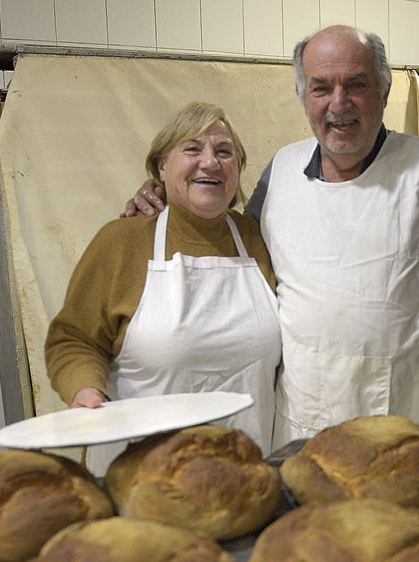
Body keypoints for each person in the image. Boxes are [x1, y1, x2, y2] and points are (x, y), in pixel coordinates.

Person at [125, 26, 419, 446]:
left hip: (394, 433)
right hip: (295, 432)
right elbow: (231, 254)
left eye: (356, 84)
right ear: (303, 96)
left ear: (383, 90)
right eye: (321, 88)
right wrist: (165, 200)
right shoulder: (282, 172)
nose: (339, 104)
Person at [47, 102, 279, 451]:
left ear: (238, 169)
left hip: (243, 468)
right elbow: (74, 339)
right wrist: (85, 390)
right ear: (162, 166)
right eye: (192, 149)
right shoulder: (121, 241)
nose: (210, 162)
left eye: (224, 151)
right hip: (141, 469)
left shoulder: (259, 238)